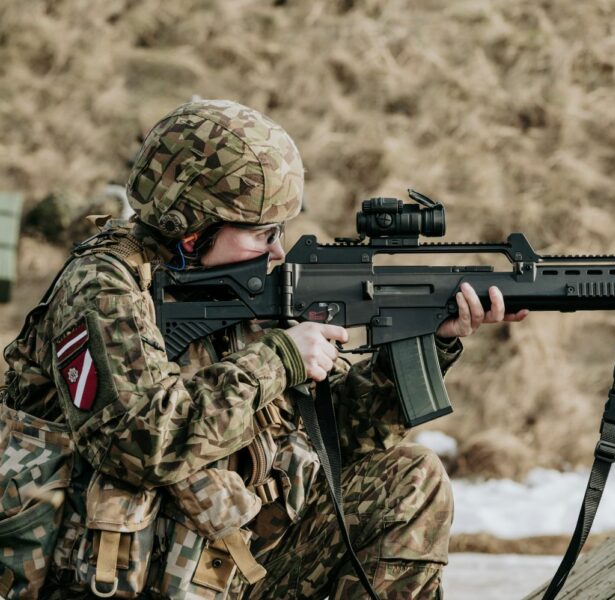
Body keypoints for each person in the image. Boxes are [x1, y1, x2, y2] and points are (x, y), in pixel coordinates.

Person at [0, 99, 527, 599]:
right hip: (113, 577)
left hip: (227, 562)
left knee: (412, 479)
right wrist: (278, 358)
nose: (277, 249)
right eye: (262, 232)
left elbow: (341, 434)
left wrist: (433, 341)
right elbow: (139, 441)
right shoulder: (104, 286)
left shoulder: (242, 283)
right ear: (192, 228)